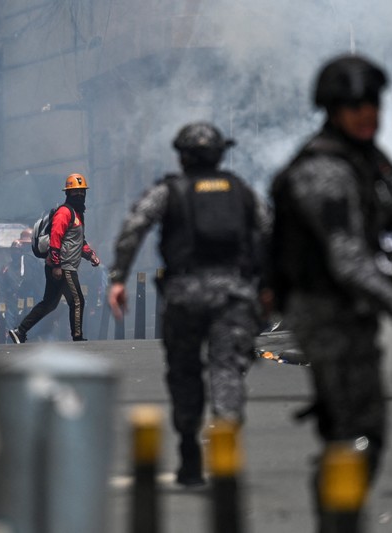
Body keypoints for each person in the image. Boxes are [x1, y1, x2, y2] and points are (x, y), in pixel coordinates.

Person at [268, 55, 392, 528]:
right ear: (333, 110)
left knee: (363, 431)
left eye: (373, 104)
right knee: (354, 430)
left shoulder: (368, 159)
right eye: (354, 105)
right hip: (323, 311)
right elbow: (347, 259)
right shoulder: (324, 170)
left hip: (352, 310)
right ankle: (336, 517)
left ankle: (339, 511)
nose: (368, 114)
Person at [107, 122, 271, 487]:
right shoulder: (240, 190)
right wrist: (267, 285)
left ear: (182, 157)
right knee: (227, 369)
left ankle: (188, 450)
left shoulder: (170, 190)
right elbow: (269, 231)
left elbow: (134, 226)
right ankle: (226, 448)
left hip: (183, 294)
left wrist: (118, 277)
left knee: (184, 372)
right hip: (233, 295)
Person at [8, 173, 101, 343]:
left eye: (82, 192)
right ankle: (77, 336)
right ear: (68, 194)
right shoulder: (64, 212)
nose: (79, 195)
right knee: (77, 300)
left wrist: (90, 255)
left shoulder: (78, 214)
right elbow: (56, 238)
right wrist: (57, 265)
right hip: (64, 266)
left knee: (49, 303)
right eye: (75, 192)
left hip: (64, 265)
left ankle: (20, 331)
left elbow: (79, 241)